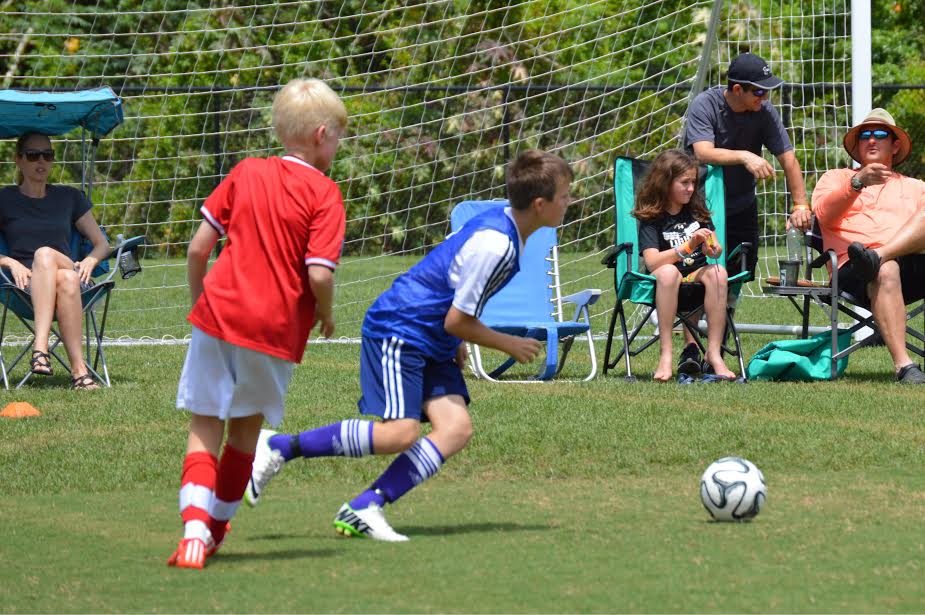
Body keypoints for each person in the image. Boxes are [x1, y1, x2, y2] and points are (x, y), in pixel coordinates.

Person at [243, 150, 569, 542]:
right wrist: (508, 344)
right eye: (565, 195)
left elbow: (452, 287)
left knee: (455, 429)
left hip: (432, 336)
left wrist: (455, 339)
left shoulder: (505, 228)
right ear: (540, 204)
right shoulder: (496, 245)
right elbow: (457, 318)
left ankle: (366, 506)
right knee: (399, 434)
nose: (569, 202)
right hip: (402, 327)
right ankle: (279, 446)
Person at [166, 77, 348, 569]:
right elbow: (319, 273)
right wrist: (326, 312)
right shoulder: (326, 194)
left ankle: (192, 534)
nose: (339, 144)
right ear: (321, 135)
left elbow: (198, 249)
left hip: (217, 316)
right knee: (244, 435)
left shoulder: (246, 171)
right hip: (273, 331)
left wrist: (201, 302)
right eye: (339, 136)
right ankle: (215, 533)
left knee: (204, 424)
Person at [682, 52, 810, 373]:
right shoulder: (705, 105)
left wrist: (800, 204)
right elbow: (702, 152)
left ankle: (718, 345)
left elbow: (788, 158)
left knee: (737, 276)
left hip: (741, 206)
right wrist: (744, 156)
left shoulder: (764, 112)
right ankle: (690, 349)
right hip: (700, 208)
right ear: (737, 89)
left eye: (767, 91)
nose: (764, 98)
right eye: (759, 91)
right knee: (697, 276)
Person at [812, 108, 925, 384]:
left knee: (885, 263)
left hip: (909, 264)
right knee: (885, 269)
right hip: (851, 269)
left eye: (880, 134)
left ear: (894, 145)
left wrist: (881, 254)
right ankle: (905, 366)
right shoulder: (836, 178)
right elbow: (823, 214)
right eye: (865, 135)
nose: (871, 139)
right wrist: (857, 182)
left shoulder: (915, 186)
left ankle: (878, 255)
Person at [0, 132, 110, 390]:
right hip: (27, 286)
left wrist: (90, 261)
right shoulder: (4, 199)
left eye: (47, 155)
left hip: (70, 268)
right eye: (33, 155)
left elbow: (102, 243)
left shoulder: (69, 197)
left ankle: (41, 348)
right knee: (66, 279)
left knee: (45, 255)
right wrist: (10, 262)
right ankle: (80, 372)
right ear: (18, 160)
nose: (41, 161)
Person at [633, 150, 735, 383]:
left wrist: (712, 249)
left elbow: (715, 247)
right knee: (669, 272)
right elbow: (652, 262)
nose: (690, 188)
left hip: (696, 277)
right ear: (665, 182)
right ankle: (666, 354)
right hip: (665, 282)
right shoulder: (652, 217)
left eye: (693, 182)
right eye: (684, 183)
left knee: (719, 272)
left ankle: (713, 353)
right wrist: (689, 245)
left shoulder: (697, 212)